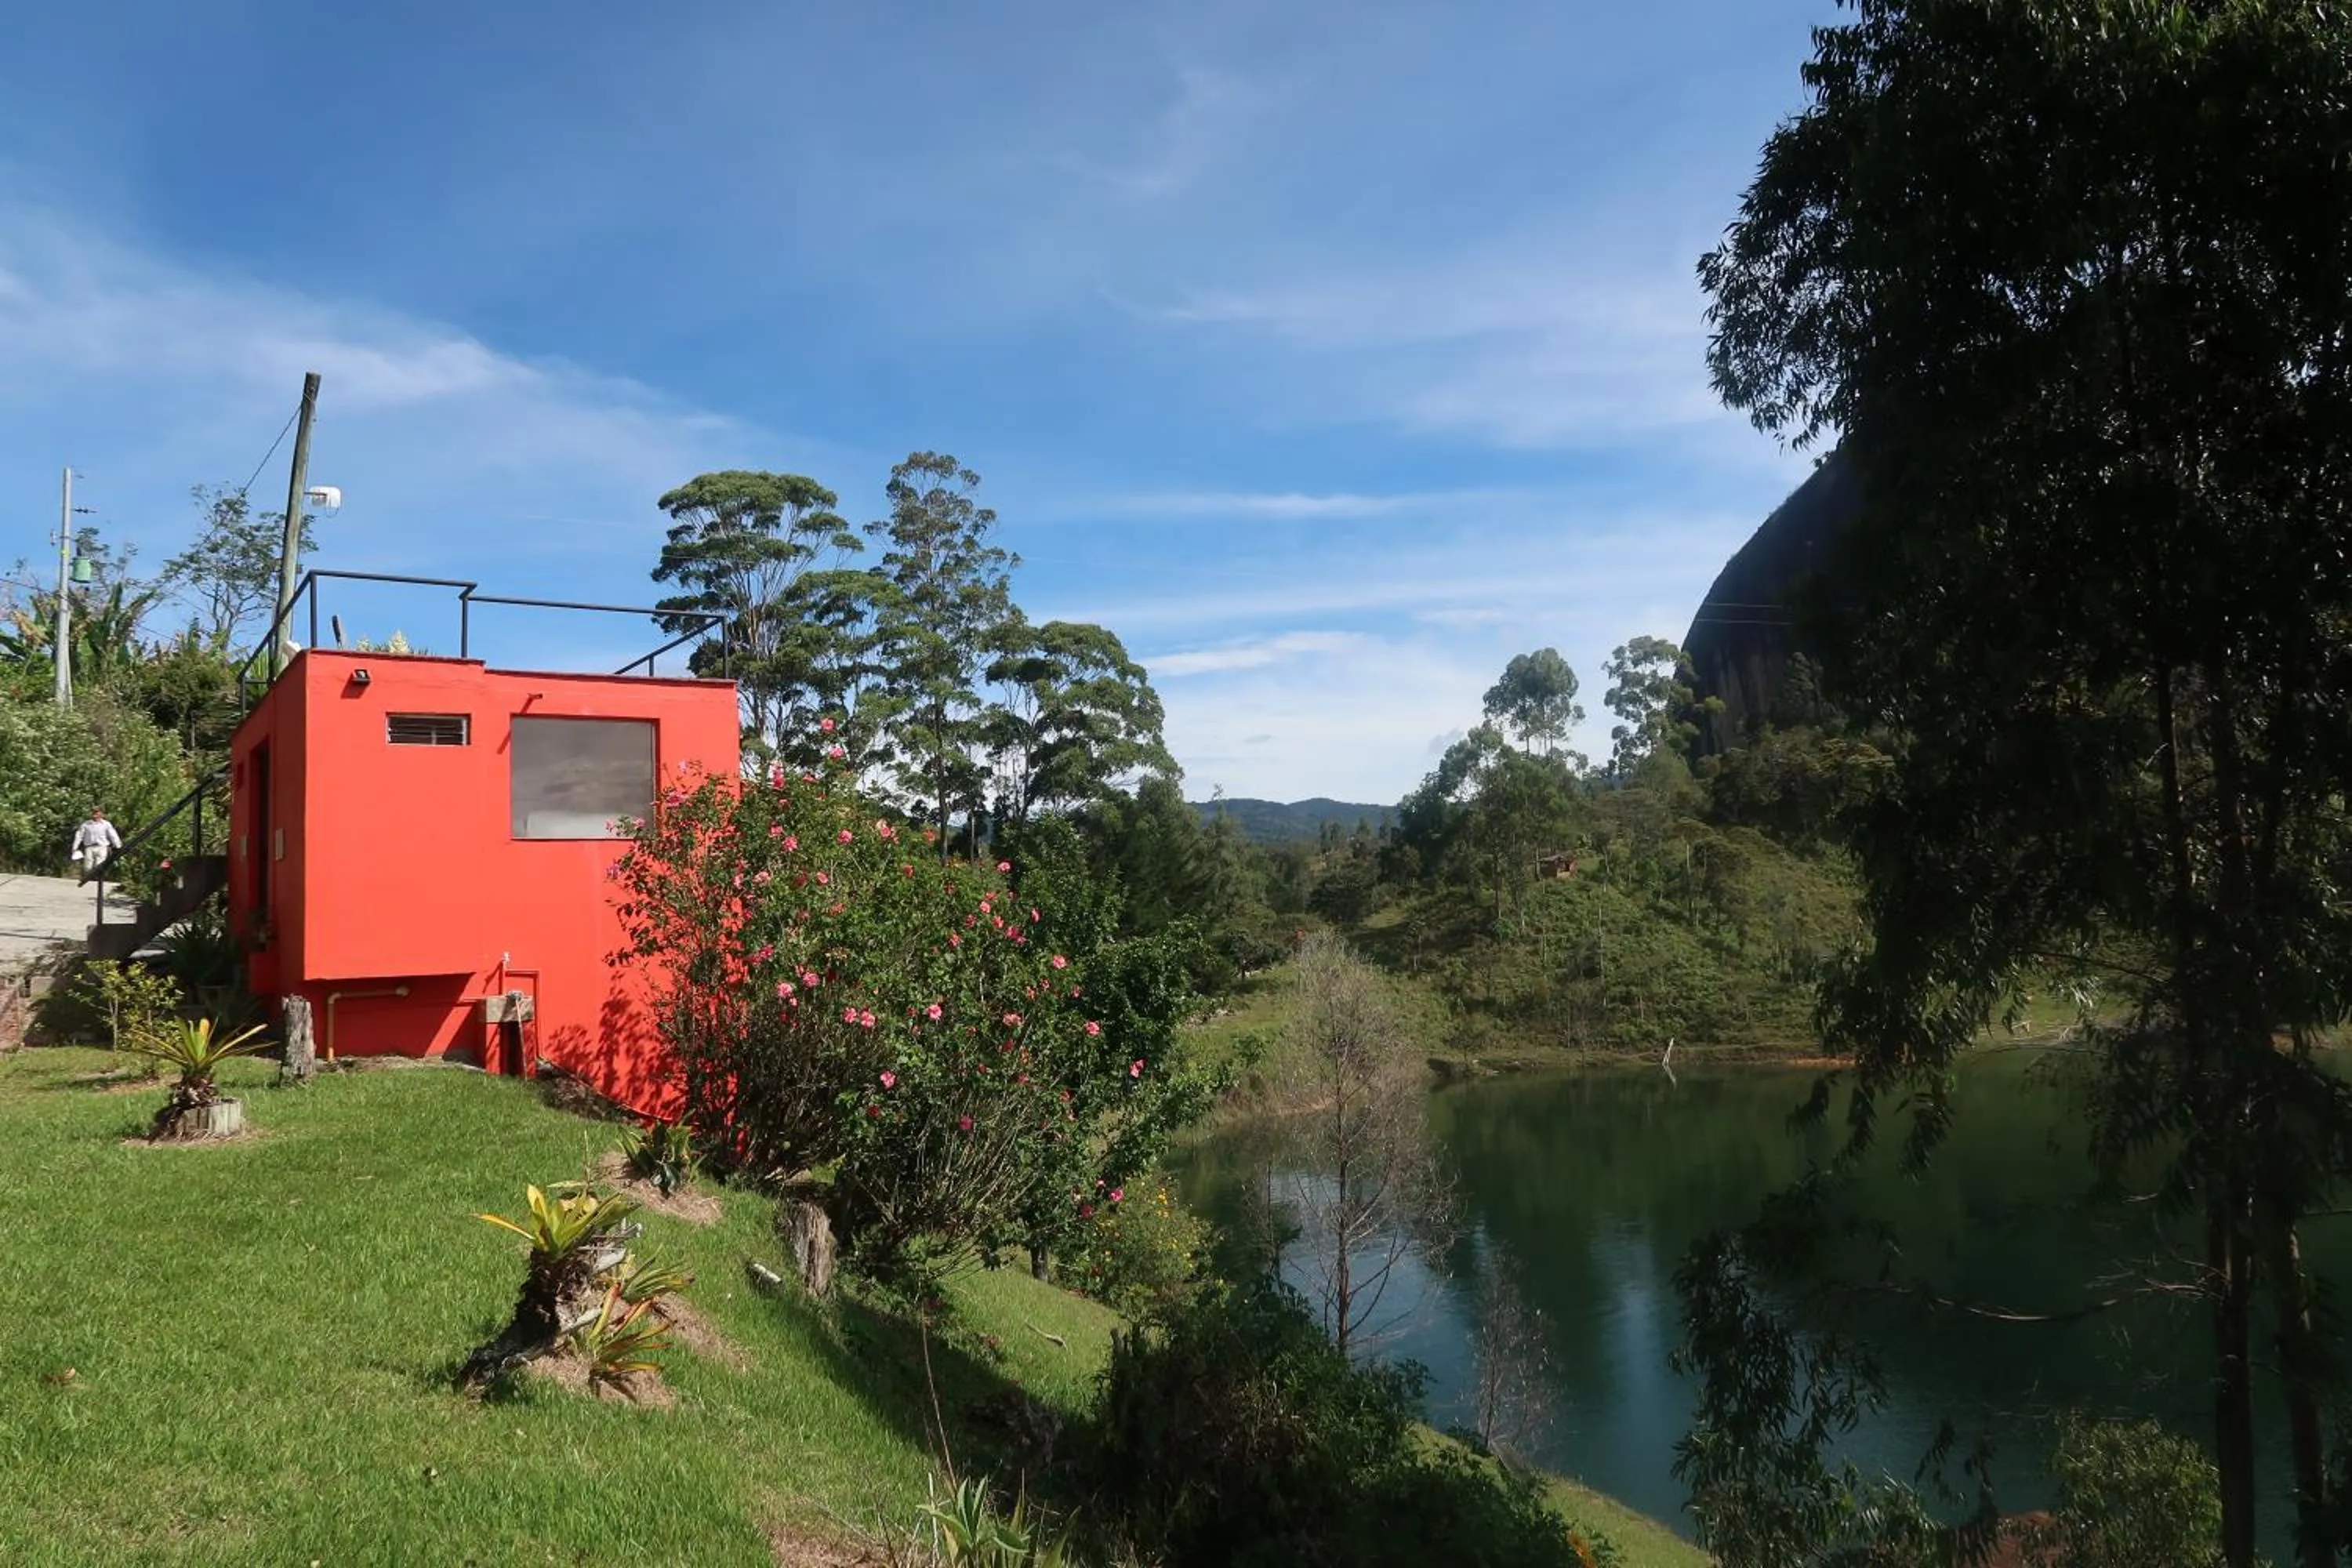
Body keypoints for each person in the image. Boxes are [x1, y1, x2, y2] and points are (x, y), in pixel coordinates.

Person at [71, 808, 122, 879]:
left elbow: (113, 835)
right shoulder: (86, 824)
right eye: (94, 812)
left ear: (101, 814)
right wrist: (75, 847)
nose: (95, 814)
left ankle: (98, 880)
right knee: (88, 866)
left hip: (102, 847)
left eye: (97, 812)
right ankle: (89, 879)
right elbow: (79, 836)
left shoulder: (106, 824)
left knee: (99, 865)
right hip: (89, 847)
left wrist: (118, 845)